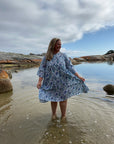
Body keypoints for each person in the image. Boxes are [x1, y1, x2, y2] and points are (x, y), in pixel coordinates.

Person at [37, 38, 89, 121]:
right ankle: (53, 115)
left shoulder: (63, 56)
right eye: (58, 44)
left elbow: (70, 67)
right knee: (53, 99)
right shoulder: (47, 57)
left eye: (60, 44)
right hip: (51, 82)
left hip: (63, 82)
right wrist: (39, 81)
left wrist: (79, 76)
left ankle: (63, 116)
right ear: (53, 45)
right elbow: (42, 69)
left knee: (63, 99)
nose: (60, 46)